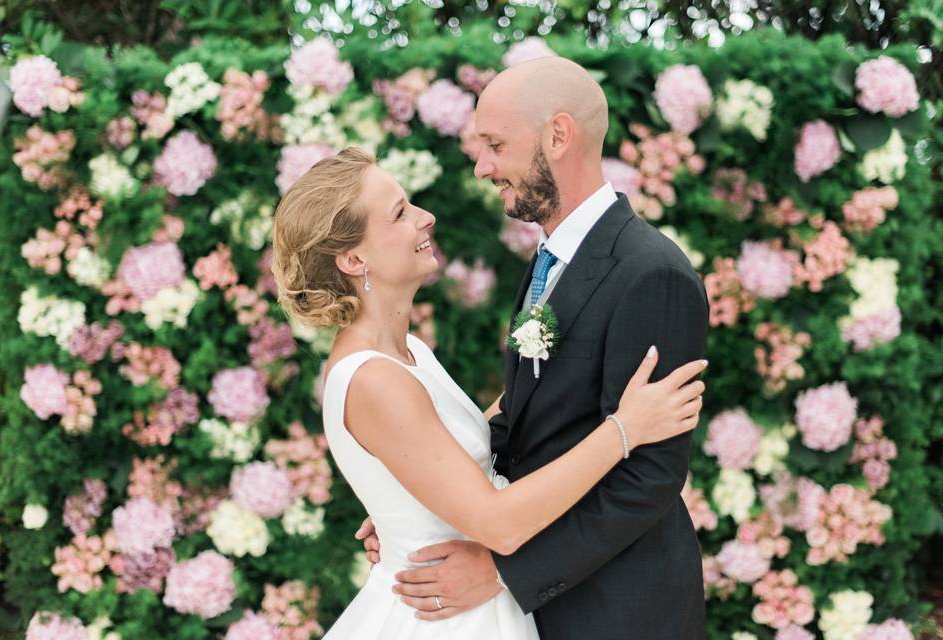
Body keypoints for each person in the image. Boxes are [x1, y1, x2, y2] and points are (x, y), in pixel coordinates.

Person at [271, 145, 707, 639]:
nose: (425, 217)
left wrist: (409, 504)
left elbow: (451, 445)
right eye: (399, 213)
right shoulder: (373, 379)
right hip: (449, 615)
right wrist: (625, 430)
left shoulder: (406, 352)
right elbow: (498, 525)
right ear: (353, 258)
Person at [358, 56, 710, 639]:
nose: (481, 167)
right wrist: (420, 512)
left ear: (558, 135)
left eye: (495, 144)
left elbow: (648, 480)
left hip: (618, 609)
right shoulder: (551, 261)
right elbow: (526, 426)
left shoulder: (653, 274)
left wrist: (503, 571)